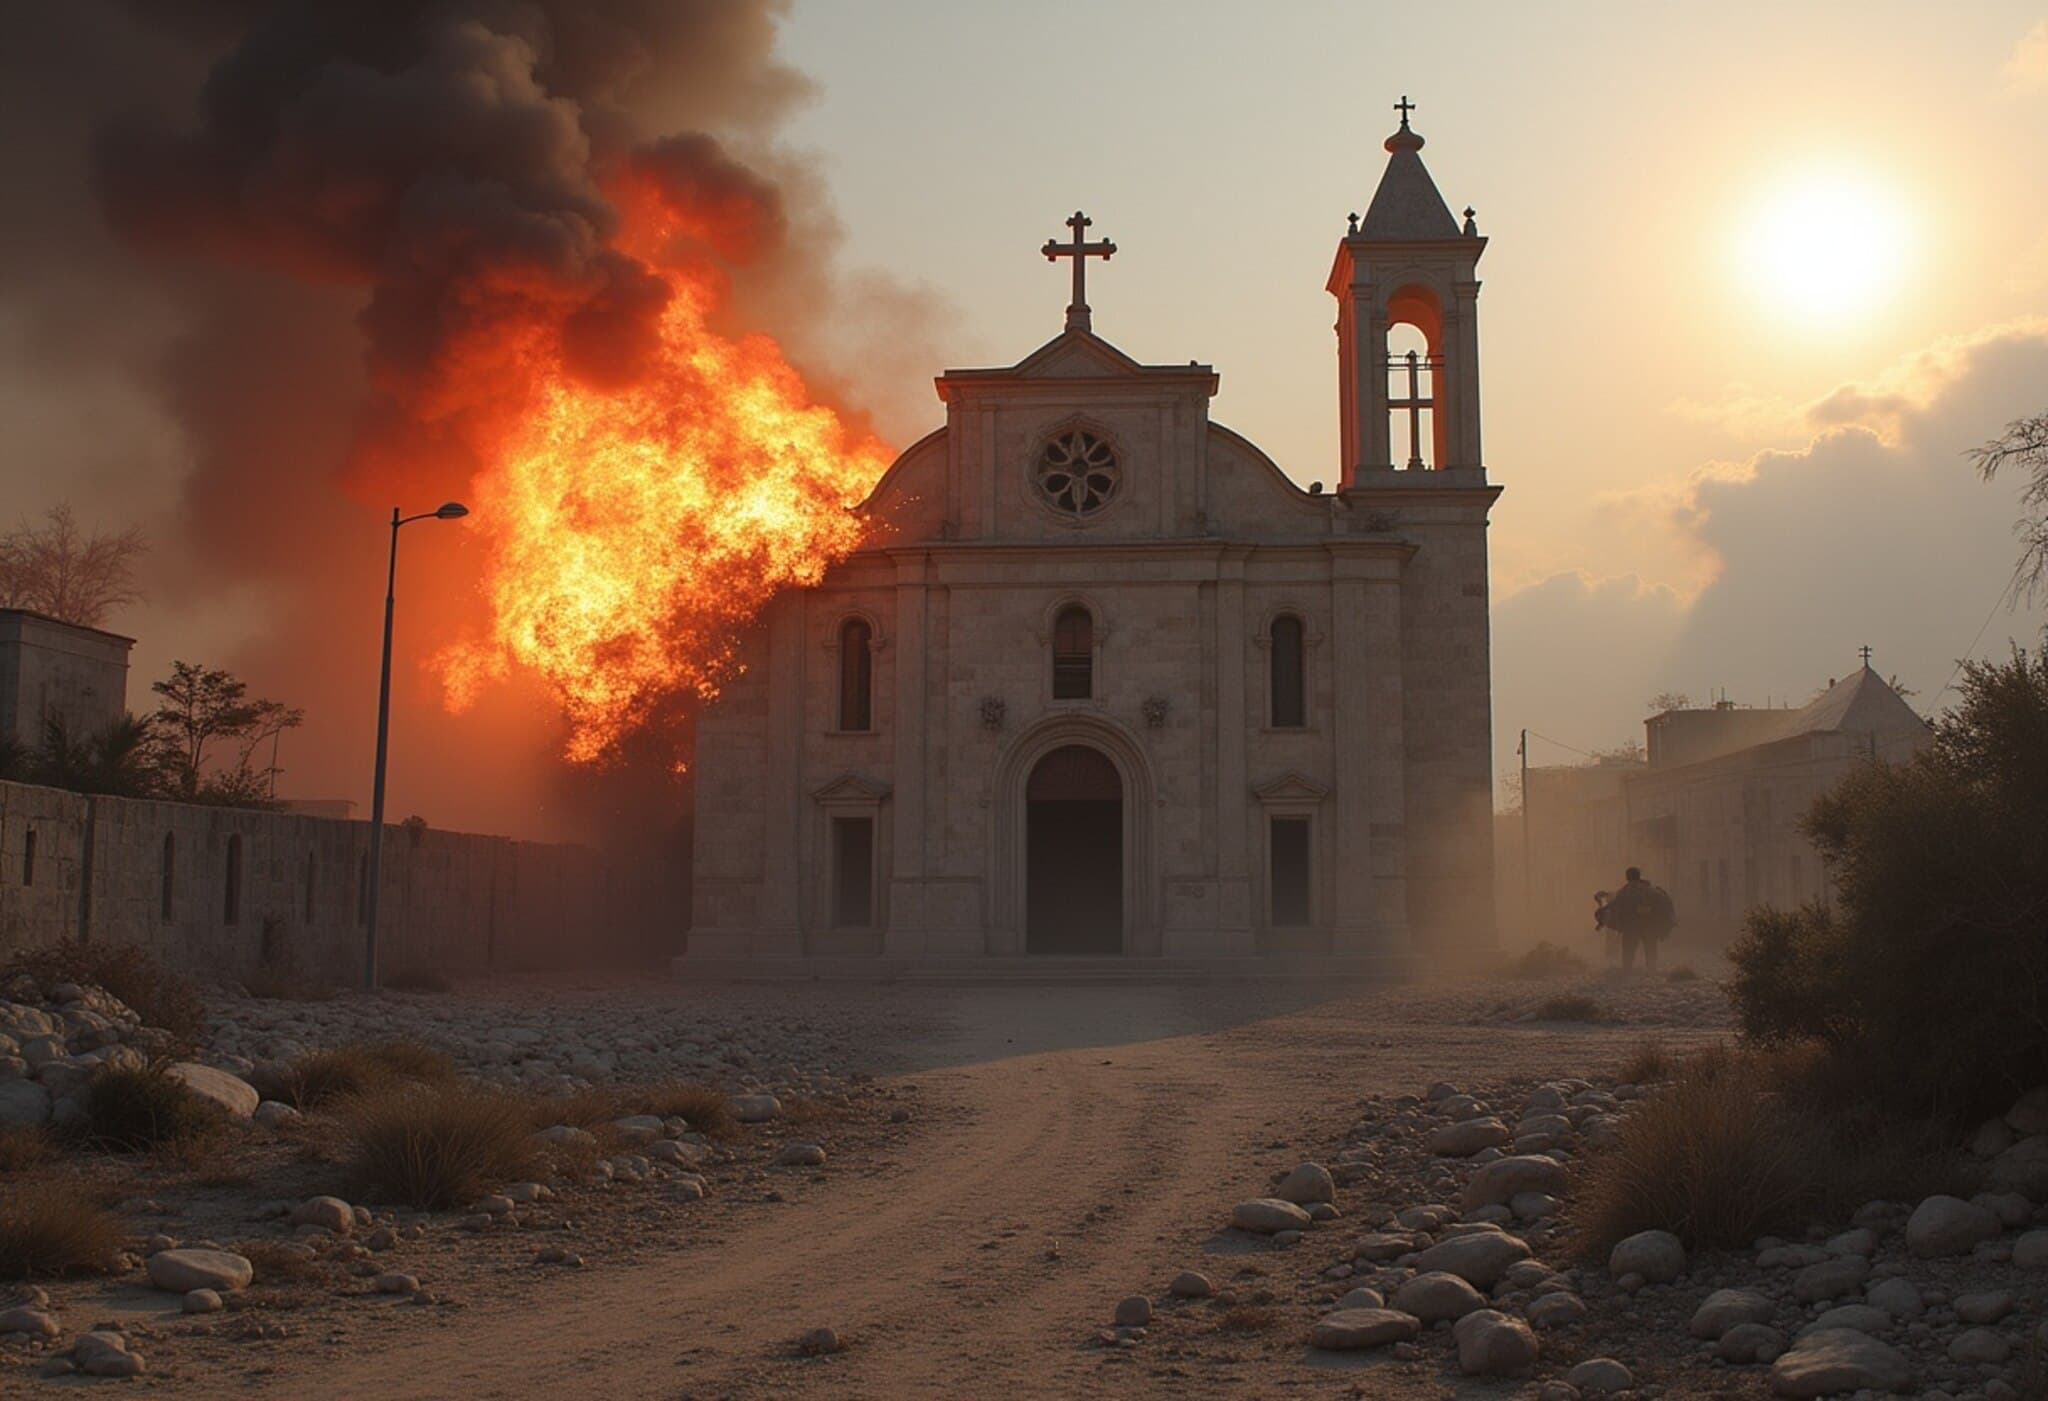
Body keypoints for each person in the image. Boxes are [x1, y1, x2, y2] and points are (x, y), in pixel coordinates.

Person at [1600, 866, 1676, 971]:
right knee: (1650, 951)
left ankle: (1627, 971)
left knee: (1628, 953)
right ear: (1638, 876)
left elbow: (1615, 903)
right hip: (1649, 926)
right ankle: (1651, 971)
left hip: (1632, 927)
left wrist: (1603, 910)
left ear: (1627, 877)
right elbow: (1662, 902)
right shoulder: (1649, 889)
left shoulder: (1626, 891)